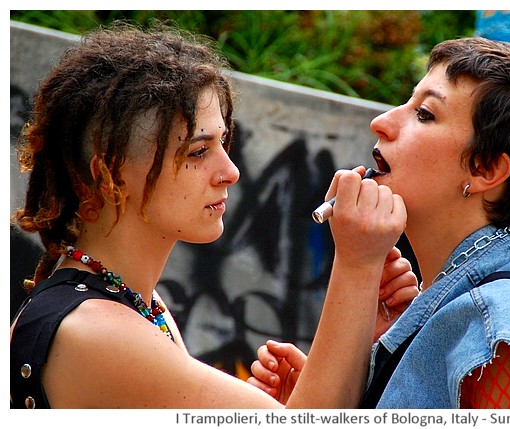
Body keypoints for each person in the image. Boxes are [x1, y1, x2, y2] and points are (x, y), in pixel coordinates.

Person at [9, 21, 418, 409]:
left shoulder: (135, 301)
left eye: (223, 142)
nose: (231, 172)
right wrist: (357, 263)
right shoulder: (96, 331)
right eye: (198, 152)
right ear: (109, 175)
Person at [248, 36, 510, 409]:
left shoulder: (498, 325)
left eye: (425, 114)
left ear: (485, 169)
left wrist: (357, 264)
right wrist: (345, 391)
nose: (381, 122)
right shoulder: (448, 309)